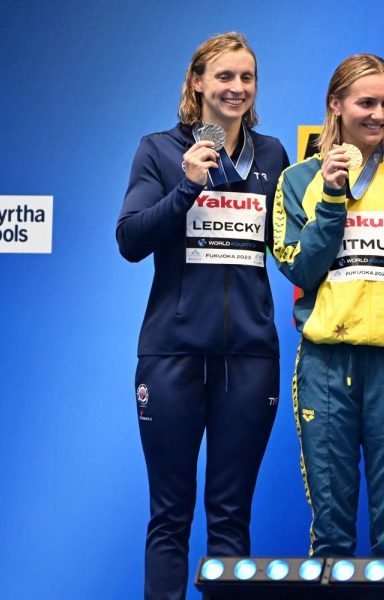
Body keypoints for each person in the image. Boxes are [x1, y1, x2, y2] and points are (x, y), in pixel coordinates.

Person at [116, 32, 288, 599]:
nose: (236, 87)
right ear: (197, 82)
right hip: (173, 354)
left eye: (246, 77)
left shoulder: (272, 156)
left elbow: (286, 248)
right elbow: (130, 239)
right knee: (170, 515)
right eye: (224, 76)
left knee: (231, 516)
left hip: (250, 357)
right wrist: (186, 187)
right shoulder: (159, 150)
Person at [272, 54, 384, 558]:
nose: (378, 114)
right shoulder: (297, 179)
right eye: (366, 102)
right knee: (331, 537)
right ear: (336, 105)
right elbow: (300, 269)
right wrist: (331, 198)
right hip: (326, 365)